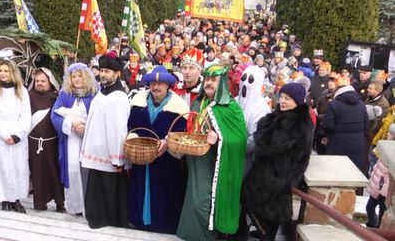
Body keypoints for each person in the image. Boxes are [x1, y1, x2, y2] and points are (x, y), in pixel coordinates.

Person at [177, 64, 247, 240]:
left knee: (204, 203)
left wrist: (220, 140)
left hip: (215, 166)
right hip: (195, 162)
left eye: (213, 80)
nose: (208, 83)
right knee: (193, 201)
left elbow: (239, 140)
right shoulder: (201, 103)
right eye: (207, 79)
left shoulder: (232, 108)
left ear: (222, 83)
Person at [242, 83, 314, 241]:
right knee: (257, 214)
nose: (282, 101)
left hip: (277, 181)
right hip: (264, 178)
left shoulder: (297, 123)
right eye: (281, 97)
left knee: (267, 223)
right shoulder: (279, 115)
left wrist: (281, 180)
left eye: (287, 98)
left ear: (297, 101)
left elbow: (270, 143)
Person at [127, 65, 189, 234]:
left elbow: (182, 133)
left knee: (165, 193)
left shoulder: (179, 107)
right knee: (141, 188)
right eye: (153, 84)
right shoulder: (138, 104)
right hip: (142, 157)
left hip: (166, 161)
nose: (156, 87)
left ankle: (163, 224)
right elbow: (131, 127)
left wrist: (168, 141)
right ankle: (139, 221)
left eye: (160, 83)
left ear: (168, 85)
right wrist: (134, 140)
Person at [80, 51, 130, 228]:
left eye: (107, 71)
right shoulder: (100, 94)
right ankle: (96, 217)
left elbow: (118, 130)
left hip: (110, 155)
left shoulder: (119, 98)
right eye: (101, 70)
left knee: (110, 189)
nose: (103, 74)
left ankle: (110, 221)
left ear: (117, 74)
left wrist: (118, 158)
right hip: (95, 151)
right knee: (96, 188)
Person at [0, 59, 31, 213]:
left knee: (18, 167)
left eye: (6, 71)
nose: (3, 74)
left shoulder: (22, 91)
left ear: (13, 72)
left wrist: (18, 135)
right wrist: (3, 136)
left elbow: (26, 116)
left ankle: (16, 199)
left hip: (18, 135)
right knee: (1, 168)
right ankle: (4, 199)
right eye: (1, 71)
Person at [51, 63, 98, 215]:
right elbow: (54, 115)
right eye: (74, 76)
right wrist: (72, 124)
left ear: (86, 76)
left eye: (80, 75)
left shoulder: (95, 94)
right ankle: (76, 206)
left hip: (88, 139)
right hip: (70, 139)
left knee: (87, 170)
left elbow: (99, 117)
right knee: (72, 168)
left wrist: (86, 129)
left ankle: (89, 207)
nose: (77, 79)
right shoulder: (65, 95)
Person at [28, 67, 65, 212]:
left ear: (50, 82)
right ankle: (40, 203)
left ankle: (59, 203)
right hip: (33, 142)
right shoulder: (27, 97)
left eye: (43, 81)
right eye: (37, 81)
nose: (39, 83)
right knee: (37, 172)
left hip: (52, 142)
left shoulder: (56, 98)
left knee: (54, 172)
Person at [323, 82, 369, 170]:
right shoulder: (361, 104)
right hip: (357, 144)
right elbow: (366, 125)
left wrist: (328, 135)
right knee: (354, 171)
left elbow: (327, 125)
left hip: (337, 143)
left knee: (335, 170)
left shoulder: (334, 104)